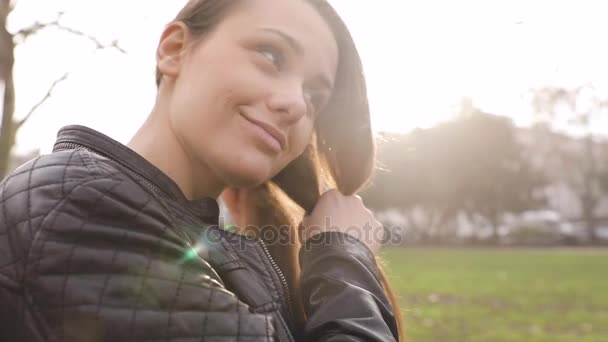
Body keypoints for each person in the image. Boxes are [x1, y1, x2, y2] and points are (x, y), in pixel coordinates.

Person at [0, 0, 403, 340]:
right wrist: (343, 255)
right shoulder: (82, 202)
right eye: (270, 55)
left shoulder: (179, 231)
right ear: (174, 50)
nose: (296, 104)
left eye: (314, 95)